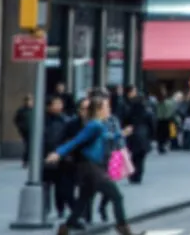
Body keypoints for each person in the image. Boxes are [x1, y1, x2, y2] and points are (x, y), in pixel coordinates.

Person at [46, 96, 142, 235]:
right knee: (116, 196)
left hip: (92, 166)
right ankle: (123, 227)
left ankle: (65, 228)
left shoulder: (99, 125)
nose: (109, 109)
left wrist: (121, 134)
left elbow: (107, 136)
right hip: (91, 168)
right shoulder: (94, 125)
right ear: (98, 110)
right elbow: (76, 141)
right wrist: (58, 153)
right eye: (106, 107)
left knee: (83, 199)